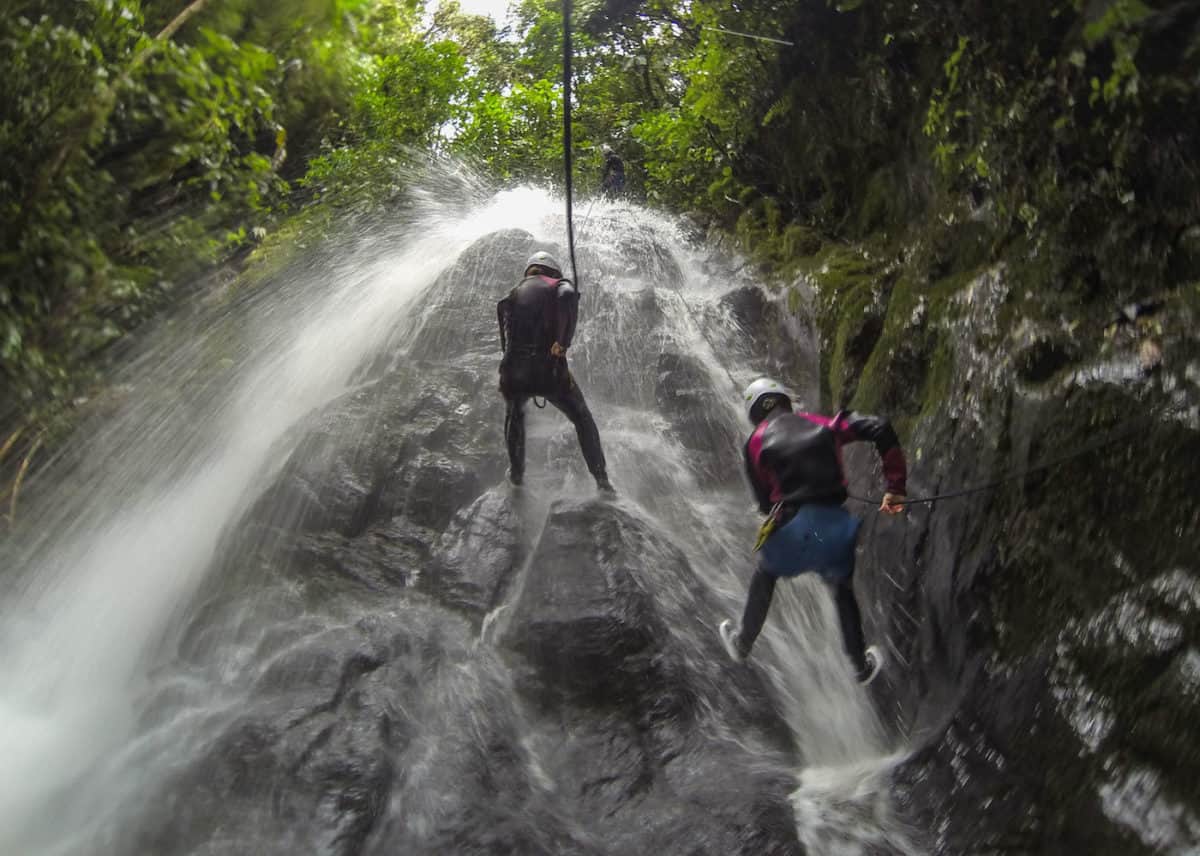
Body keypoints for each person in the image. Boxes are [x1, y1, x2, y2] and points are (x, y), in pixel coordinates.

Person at [719, 378, 907, 684]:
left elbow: (764, 502)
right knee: (842, 590)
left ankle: (743, 643)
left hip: (793, 530)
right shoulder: (825, 424)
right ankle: (860, 666)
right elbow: (880, 427)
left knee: (765, 574)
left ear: (754, 413)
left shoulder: (754, 442)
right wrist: (895, 487)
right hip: (834, 532)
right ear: (785, 401)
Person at [497, 251, 614, 493]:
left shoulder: (514, 292)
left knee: (514, 416)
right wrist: (563, 341)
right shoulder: (557, 284)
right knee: (581, 417)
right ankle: (601, 480)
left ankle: (517, 476)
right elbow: (568, 294)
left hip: (514, 373)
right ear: (552, 270)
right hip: (547, 371)